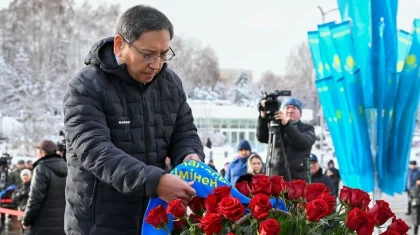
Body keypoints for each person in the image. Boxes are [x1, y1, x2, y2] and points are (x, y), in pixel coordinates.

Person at [63, 5, 204, 235]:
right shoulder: (86, 86)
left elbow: (185, 132)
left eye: (163, 54)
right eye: (147, 54)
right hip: (99, 223)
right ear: (120, 45)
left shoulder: (170, 84)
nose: (156, 64)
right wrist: (156, 183)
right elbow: (95, 151)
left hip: (156, 221)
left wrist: (190, 155)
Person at [257, 97, 316, 182]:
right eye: (287, 107)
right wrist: (262, 116)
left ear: (301, 114)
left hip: (298, 180)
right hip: (277, 177)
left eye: (294, 108)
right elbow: (262, 137)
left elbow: (303, 142)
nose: (290, 110)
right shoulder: (276, 126)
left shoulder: (308, 128)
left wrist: (287, 125)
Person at [22, 140, 67, 234]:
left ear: (43, 153)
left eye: (37, 152)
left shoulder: (41, 168)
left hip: (42, 225)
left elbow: (35, 198)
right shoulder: (66, 166)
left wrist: (26, 221)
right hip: (63, 225)